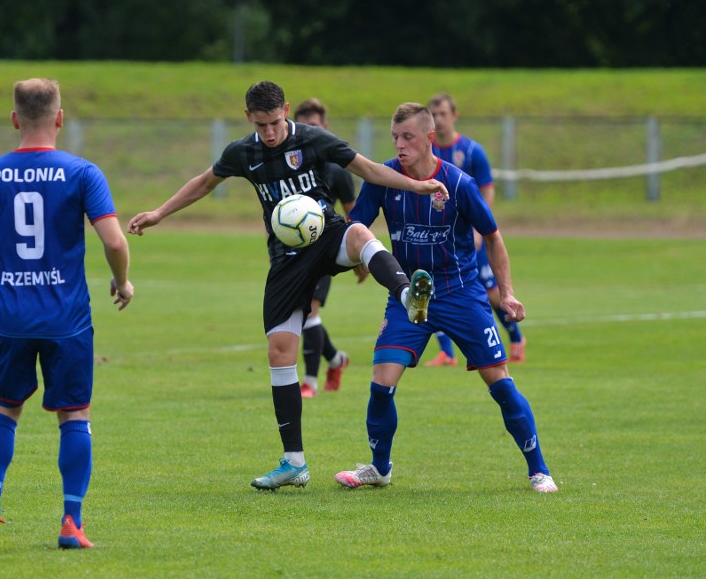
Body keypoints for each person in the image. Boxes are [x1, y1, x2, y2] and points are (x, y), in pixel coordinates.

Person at [127, 81, 446, 490]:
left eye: (276, 123)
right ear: (249, 118)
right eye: (261, 125)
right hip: (285, 259)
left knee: (359, 233)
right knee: (280, 352)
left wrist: (416, 185)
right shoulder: (244, 152)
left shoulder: (314, 140)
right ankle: (294, 462)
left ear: (287, 111)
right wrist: (159, 212)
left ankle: (407, 295)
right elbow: (205, 182)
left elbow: (368, 170)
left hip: (326, 236)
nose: (271, 132)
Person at [335, 103, 557, 493]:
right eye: (395, 137)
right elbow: (357, 225)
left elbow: (492, 235)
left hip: (460, 294)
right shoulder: (385, 179)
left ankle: (538, 469)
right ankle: (379, 468)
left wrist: (506, 293)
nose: (400, 145)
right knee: (380, 384)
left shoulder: (458, 184)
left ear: (429, 139)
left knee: (500, 384)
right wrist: (356, 253)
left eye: (408, 137)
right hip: (408, 295)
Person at [0, 78, 134, 549]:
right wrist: (122, 280)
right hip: (66, 319)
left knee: (4, 409)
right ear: (59, 118)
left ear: (14, 119)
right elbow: (114, 240)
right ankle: (71, 523)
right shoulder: (82, 173)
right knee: (74, 415)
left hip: (10, 316)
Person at [424, 92, 526, 367]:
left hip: (469, 237)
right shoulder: (426, 152)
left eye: (444, 114)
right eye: (434, 115)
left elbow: (486, 193)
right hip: (439, 237)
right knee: (434, 289)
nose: (439, 120)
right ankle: (447, 352)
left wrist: (480, 232)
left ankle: (516, 337)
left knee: (492, 293)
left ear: (454, 116)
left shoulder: (470, 151)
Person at [293, 98, 356, 398]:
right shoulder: (288, 166)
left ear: (325, 128)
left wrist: (360, 256)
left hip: (323, 250)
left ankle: (309, 382)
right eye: (304, 127)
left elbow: (355, 214)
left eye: (314, 127)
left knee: (308, 314)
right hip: (291, 252)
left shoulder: (337, 169)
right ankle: (335, 359)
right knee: (300, 313)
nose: (309, 133)